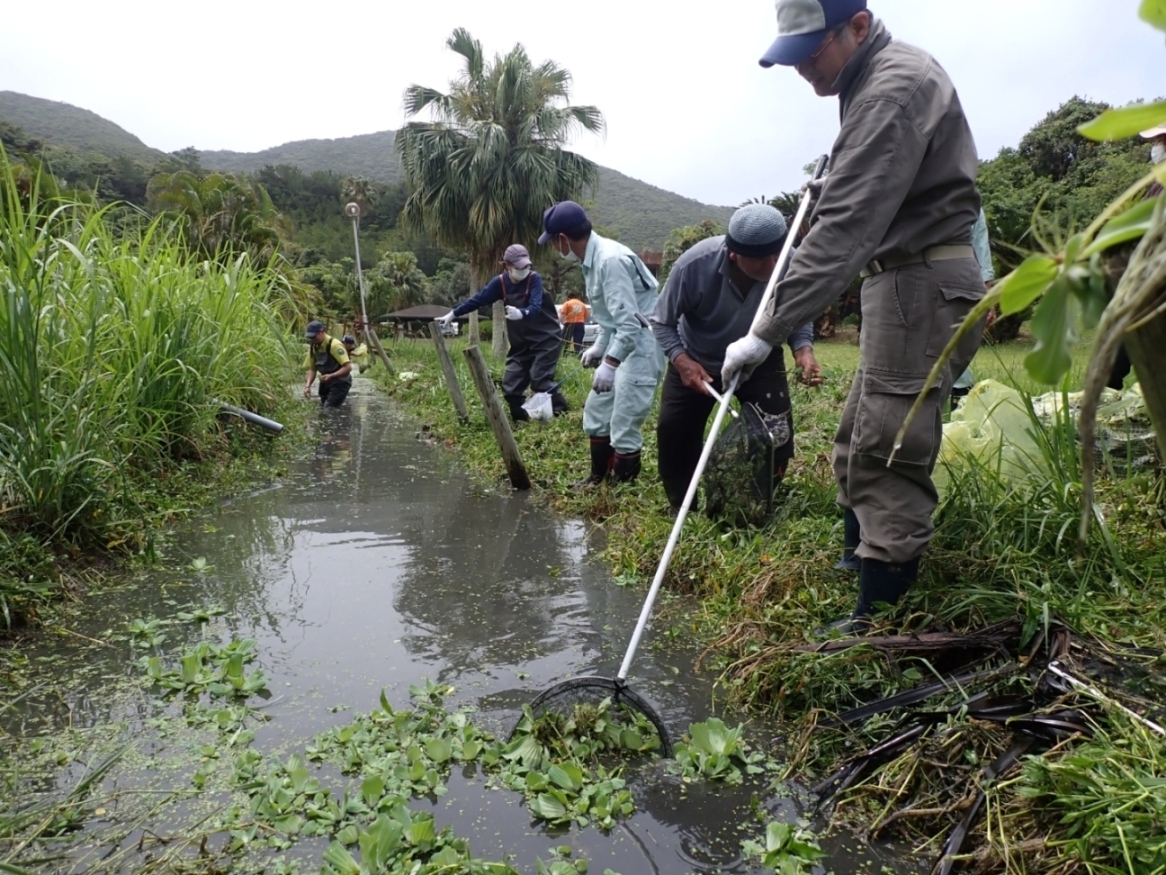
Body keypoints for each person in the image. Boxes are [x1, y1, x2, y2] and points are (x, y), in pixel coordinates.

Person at [722, 0, 985, 631]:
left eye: (811, 54)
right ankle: (856, 560)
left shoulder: (892, 90)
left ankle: (877, 620)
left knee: (886, 448)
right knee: (856, 435)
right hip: (896, 285)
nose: (803, 71)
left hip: (920, 283)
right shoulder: (865, 84)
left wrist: (767, 330)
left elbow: (844, 231)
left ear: (858, 28)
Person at [651, 204, 822, 512]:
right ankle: (682, 505)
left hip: (760, 360)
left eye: (777, 255)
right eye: (761, 260)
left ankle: (760, 500)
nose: (773, 265)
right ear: (734, 255)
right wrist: (681, 361)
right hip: (697, 359)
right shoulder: (694, 266)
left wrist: (803, 351)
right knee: (673, 432)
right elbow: (661, 322)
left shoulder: (789, 263)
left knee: (775, 436)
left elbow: (798, 313)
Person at [539, 201, 663, 485]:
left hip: (641, 347)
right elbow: (610, 318)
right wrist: (600, 346)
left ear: (563, 239)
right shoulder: (591, 262)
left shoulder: (609, 260)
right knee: (597, 412)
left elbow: (631, 325)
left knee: (624, 421)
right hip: (620, 343)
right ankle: (598, 478)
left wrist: (609, 363)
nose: (555, 249)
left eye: (553, 242)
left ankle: (621, 489)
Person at [436, 244, 568, 421]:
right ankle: (521, 421)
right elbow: (478, 300)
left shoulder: (533, 279)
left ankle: (562, 414)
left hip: (546, 339)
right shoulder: (500, 283)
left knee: (540, 380)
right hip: (521, 343)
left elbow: (535, 307)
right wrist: (453, 313)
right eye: (519, 267)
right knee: (511, 386)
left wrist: (522, 313)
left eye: (526, 266)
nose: (523, 270)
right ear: (507, 265)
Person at [950, 209, 997, 413]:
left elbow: (980, 245)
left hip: (961, 280)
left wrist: (988, 298)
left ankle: (960, 417)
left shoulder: (970, 198)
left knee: (958, 350)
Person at [304, 320, 353, 407]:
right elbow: (312, 369)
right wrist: (307, 386)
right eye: (310, 337)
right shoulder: (314, 347)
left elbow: (348, 367)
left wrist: (332, 375)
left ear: (322, 332)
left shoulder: (335, 345)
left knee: (328, 408)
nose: (312, 340)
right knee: (324, 406)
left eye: (314, 337)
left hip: (341, 382)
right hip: (325, 382)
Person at [560, 290, 588, 354]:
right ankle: (577, 354)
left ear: (569, 298)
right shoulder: (582, 304)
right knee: (578, 342)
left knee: (565, 340)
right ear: (576, 297)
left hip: (569, 324)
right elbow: (586, 316)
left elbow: (562, 313)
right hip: (580, 324)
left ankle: (564, 354)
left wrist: (561, 321)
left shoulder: (567, 303)